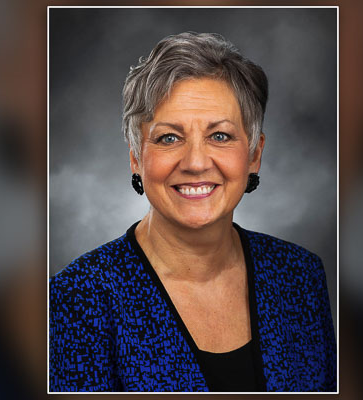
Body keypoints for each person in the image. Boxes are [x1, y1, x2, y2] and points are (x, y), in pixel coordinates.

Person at [49, 32, 336, 392]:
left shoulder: (300, 276)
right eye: (169, 138)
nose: (196, 163)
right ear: (136, 157)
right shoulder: (77, 298)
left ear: (254, 154)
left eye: (220, 136)